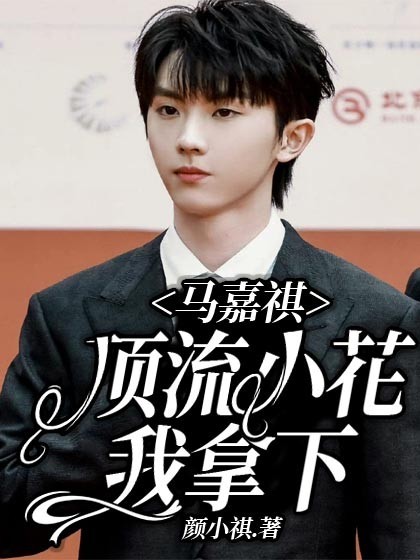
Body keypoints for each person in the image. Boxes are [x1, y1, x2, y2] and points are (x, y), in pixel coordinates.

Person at [1, 1, 420, 559]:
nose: (189, 138)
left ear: (292, 138)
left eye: (224, 112)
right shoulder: (69, 314)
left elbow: (403, 537)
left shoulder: (374, 322)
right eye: (168, 109)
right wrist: (126, 406)